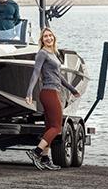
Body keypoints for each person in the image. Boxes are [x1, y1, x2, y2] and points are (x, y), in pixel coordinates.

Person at [24, 27, 81, 170]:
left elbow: (59, 76)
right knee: (57, 127)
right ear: (42, 40)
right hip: (48, 92)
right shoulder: (42, 53)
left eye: (50, 36)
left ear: (54, 38)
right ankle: (36, 152)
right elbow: (36, 72)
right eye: (45, 37)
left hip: (54, 91)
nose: (48, 38)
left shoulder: (54, 53)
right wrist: (29, 92)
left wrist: (72, 90)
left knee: (49, 127)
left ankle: (45, 158)